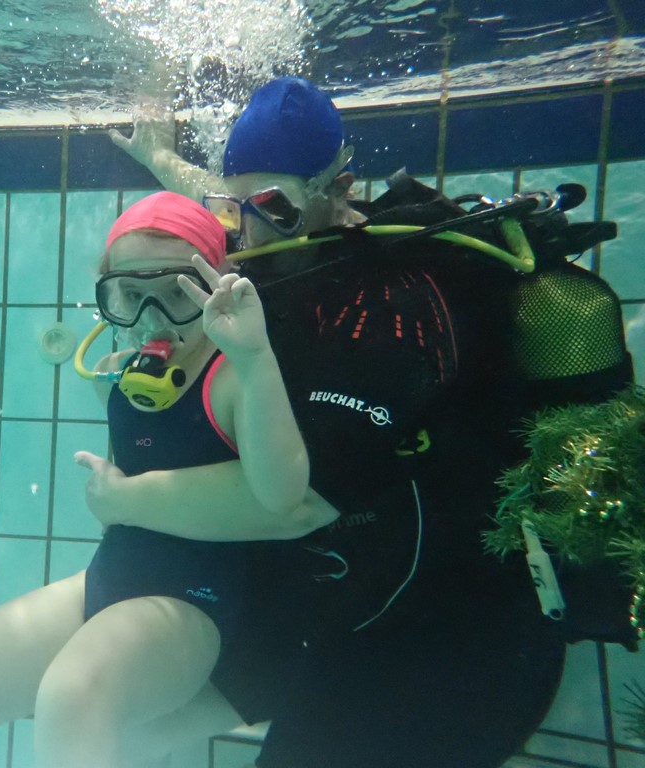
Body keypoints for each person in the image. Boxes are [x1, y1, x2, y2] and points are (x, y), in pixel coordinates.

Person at [101, 76, 625, 767]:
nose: (249, 231)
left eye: (272, 208)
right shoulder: (282, 232)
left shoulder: (398, 306)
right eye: (234, 208)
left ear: (339, 189)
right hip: (346, 604)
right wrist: (162, 158)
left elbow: (295, 505)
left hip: (454, 638)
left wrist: (121, 500)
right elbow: (240, 196)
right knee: (123, 730)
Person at [0, 190, 337, 768]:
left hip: (197, 608)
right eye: (131, 298)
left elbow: (283, 495)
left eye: (177, 294)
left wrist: (254, 356)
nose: (152, 319)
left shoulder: (233, 376)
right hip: (108, 583)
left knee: (71, 700)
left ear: (216, 286)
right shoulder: (119, 375)